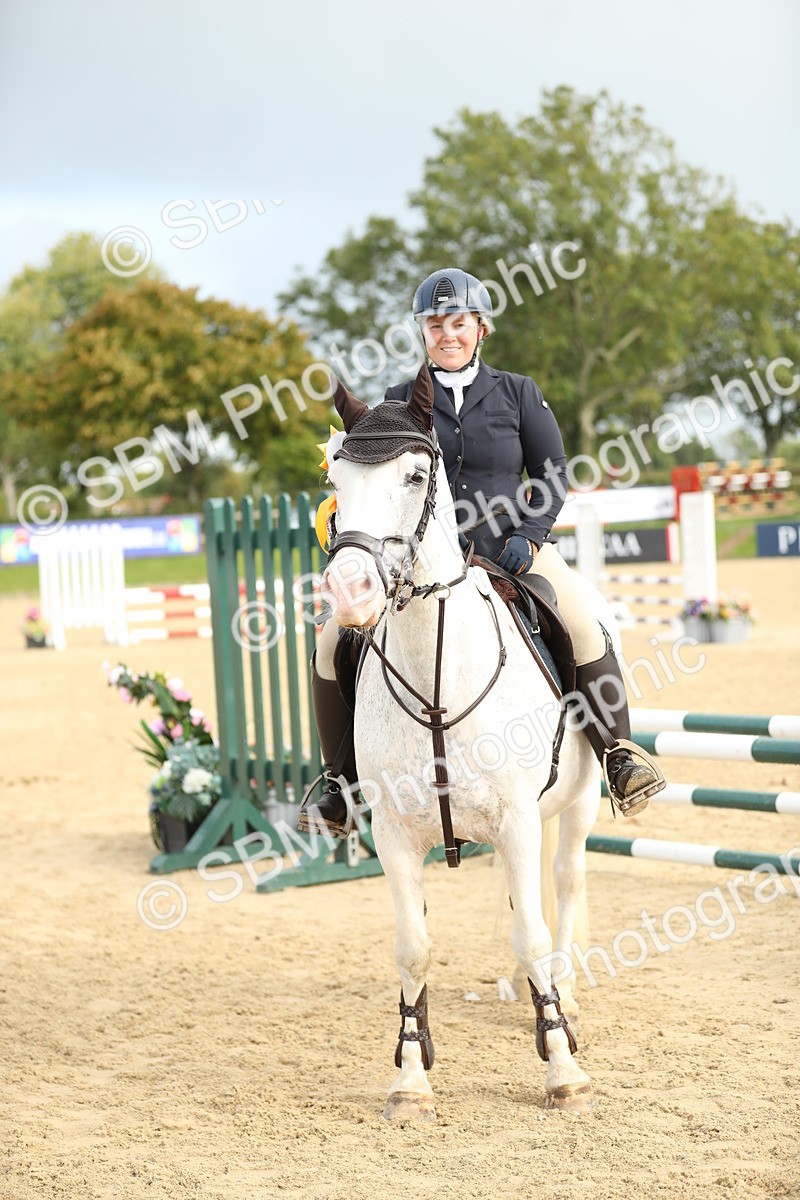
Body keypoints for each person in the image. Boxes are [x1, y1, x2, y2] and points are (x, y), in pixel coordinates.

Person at [298, 267, 665, 837]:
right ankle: (337, 783)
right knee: (331, 640)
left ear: (481, 328)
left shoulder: (518, 392)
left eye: (460, 323)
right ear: (422, 330)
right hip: (421, 566)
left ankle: (618, 756)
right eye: (435, 323)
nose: (448, 333)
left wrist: (532, 533)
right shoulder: (399, 401)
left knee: (583, 621)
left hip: (515, 549)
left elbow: (551, 471)